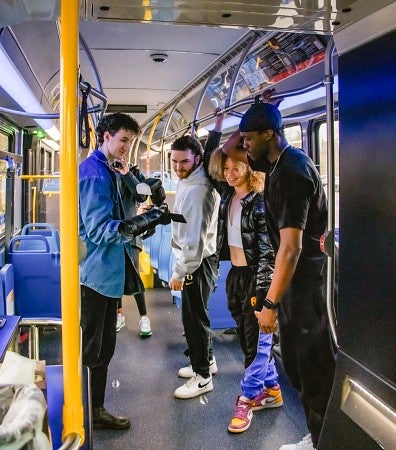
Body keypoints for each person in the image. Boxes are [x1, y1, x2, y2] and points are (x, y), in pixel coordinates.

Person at [222, 94, 336, 449]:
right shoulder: (275, 164)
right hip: (294, 285)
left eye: (249, 138)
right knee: (301, 372)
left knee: (314, 373)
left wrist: (270, 304)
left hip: (306, 287)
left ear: (270, 134)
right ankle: (320, 436)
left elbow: (291, 246)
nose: (243, 146)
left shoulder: (289, 172)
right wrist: (255, 108)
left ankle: (324, 441)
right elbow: (229, 146)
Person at [79, 112, 170, 430]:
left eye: (131, 142)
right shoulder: (94, 175)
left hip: (111, 272)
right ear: (105, 137)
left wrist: (129, 172)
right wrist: (145, 221)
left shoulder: (113, 170)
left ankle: (94, 407)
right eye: (123, 141)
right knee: (94, 348)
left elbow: (138, 195)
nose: (127, 148)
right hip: (96, 274)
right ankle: (90, 412)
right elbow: (101, 231)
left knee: (105, 347)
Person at [203, 111, 282, 434]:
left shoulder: (259, 202)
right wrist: (219, 130)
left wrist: (264, 295)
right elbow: (210, 167)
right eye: (227, 167)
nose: (230, 171)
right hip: (235, 275)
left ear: (251, 166)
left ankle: (247, 399)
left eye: (237, 165)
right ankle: (273, 391)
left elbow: (267, 253)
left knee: (256, 345)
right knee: (252, 340)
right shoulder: (227, 197)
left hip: (256, 278)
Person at [169, 134, 220, 399]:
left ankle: (202, 377)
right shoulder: (189, 180)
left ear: (198, 159)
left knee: (194, 320)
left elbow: (194, 241)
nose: (178, 167)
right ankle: (207, 360)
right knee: (197, 315)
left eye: (184, 162)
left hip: (196, 264)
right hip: (196, 261)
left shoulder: (199, 191)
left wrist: (180, 272)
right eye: (174, 161)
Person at [116, 164, 152, 337]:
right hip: (112, 233)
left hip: (131, 232)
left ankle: (144, 317)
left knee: (134, 272)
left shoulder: (135, 174)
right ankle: (119, 313)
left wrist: (126, 173)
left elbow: (141, 195)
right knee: (114, 275)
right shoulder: (104, 173)